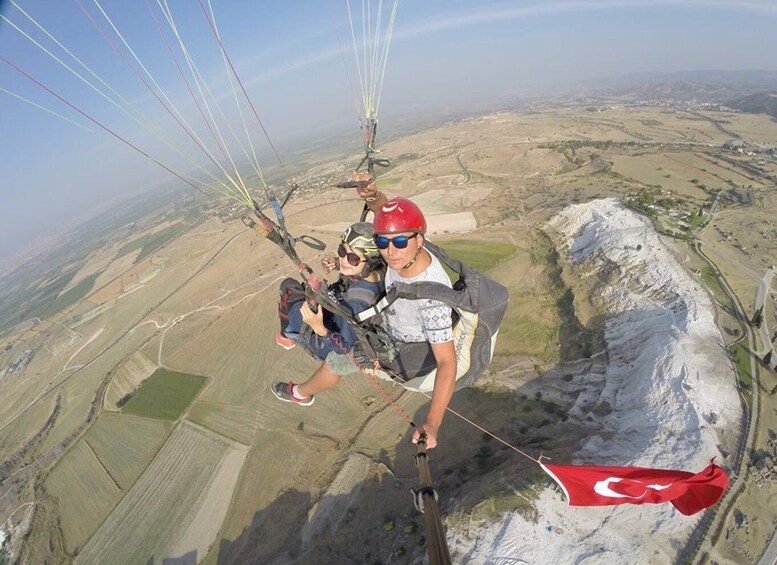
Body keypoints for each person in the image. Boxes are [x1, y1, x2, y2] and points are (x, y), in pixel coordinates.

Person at [371, 197, 456, 450]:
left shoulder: (432, 296)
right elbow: (391, 221)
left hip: (410, 346)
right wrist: (374, 197)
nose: (391, 251)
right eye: (382, 242)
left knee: (337, 356)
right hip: (391, 321)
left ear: (420, 240)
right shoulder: (407, 253)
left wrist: (432, 423)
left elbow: (446, 361)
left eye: (399, 242)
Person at [271, 222, 384, 406]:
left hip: (328, 338)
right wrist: (340, 265)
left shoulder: (358, 302)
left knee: (289, 289)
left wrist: (318, 328)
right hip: (335, 315)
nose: (344, 260)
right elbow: (356, 269)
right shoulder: (377, 272)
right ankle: (290, 334)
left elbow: (343, 349)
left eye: (353, 258)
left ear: (369, 261)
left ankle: (288, 336)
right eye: (341, 251)